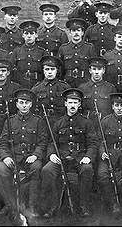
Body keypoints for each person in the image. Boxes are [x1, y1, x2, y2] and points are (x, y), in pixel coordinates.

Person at [41, 88, 98, 218]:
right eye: (70, 102)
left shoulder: (86, 122)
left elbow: (93, 143)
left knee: (87, 169)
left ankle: (84, 206)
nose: (73, 105)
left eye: (75, 103)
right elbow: (51, 142)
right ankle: (51, 207)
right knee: (47, 170)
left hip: (79, 158)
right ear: (65, 103)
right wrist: (52, 155)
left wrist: (88, 157)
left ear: (79, 105)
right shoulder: (58, 123)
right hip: (61, 157)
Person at [0, 89, 47, 221]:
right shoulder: (10, 121)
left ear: (31, 105)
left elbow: (43, 142)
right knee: (0, 170)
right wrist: (5, 157)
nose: (24, 105)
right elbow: (2, 144)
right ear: (17, 104)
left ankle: (32, 206)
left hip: (30, 158)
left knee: (36, 168)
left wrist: (35, 155)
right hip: (13, 158)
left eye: (27, 103)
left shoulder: (38, 121)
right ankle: (10, 205)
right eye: (21, 102)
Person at [58, 18, 96, 88]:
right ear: (70, 33)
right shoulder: (63, 48)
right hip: (68, 84)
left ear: (82, 33)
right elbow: (60, 69)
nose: (76, 33)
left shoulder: (89, 48)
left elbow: (93, 66)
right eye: (73, 30)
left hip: (85, 83)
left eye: (78, 30)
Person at [11, 20, 47, 89]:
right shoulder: (17, 51)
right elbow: (11, 69)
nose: (29, 36)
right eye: (26, 33)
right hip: (20, 84)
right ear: (23, 35)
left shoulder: (42, 51)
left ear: (36, 35)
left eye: (31, 33)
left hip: (37, 84)